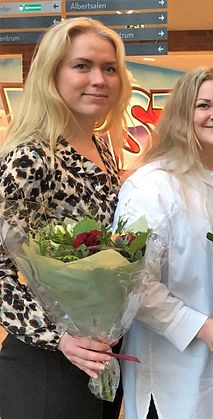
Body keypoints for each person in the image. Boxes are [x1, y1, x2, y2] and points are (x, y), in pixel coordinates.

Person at [113, 66, 213, 419]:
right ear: (183, 113)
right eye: (204, 105)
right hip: (176, 371)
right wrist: (203, 327)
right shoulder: (152, 185)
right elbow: (132, 282)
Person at [0, 17, 132, 419]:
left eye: (110, 68)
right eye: (82, 66)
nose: (99, 79)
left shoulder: (102, 148)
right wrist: (57, 337)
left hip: (101, 353)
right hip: (48, 363)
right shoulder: (32, 156)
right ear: (51, 74)